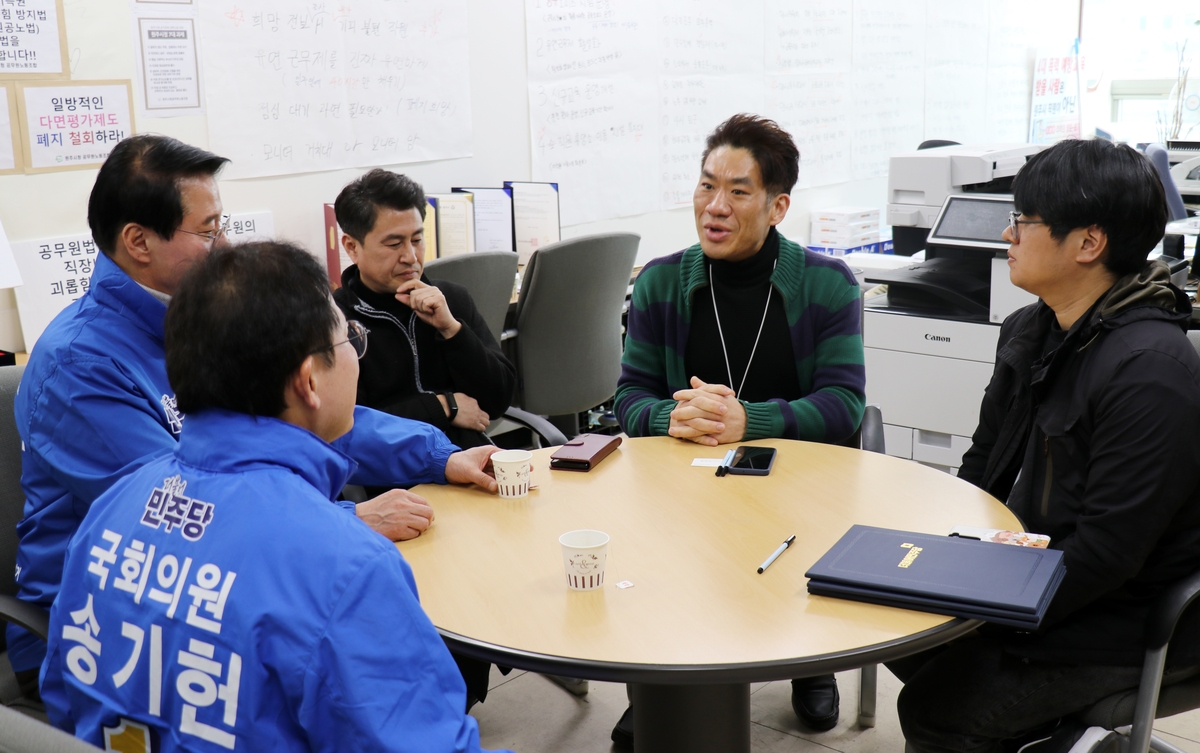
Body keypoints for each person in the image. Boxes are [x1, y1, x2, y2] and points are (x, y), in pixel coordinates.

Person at [9, 135, 500, 695]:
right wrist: (343, 523)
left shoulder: (199, 319)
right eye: (208, 229)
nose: (223, 245)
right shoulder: (80, 365)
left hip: (219, 577)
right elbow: (180, 514)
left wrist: (442, 457)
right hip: (111, 621)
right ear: (138, 241)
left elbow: (309, 416)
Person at [40, 241, 512, 753]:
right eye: (350, 338)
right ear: (309, 380)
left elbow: (63, 700)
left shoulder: (110, 511)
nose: (356, 353)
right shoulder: (346, 568)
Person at [891, 138, 1200, 753]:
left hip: (1126, 613)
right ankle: (1062, 739)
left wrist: (988, 609)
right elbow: (982, 468)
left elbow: (1110, 556)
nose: (1007, 235)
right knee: (900, 632)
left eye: (1023, 222)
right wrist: (939, 564)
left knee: (936, 708)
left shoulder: (1149, 368)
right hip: (1042, 569)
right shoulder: (1031, 329)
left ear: (1088, 243)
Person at [612, 114, 866, 744]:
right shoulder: (662, 281)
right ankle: (658, 681)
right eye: (706, 186)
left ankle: (814, 662)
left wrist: (746, 420)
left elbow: (845, 405)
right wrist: (671, 416)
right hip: (684, 484)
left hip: (799, 484)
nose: (714, 207)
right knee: (658, 564)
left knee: (796, 551)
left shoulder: (828, 284)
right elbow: (628, 398)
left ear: (778, 206)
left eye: (738, 191)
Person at [332, 169, 516, 450]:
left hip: (470, 463)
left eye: (417, 240)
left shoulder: (451, 299)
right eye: (394, 244)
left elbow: (498, 400)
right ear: (352, 247)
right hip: (394, 481)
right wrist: (442, 406)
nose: (411, 257)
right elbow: (347, 427)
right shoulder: (334, 322)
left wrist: (452, 330)